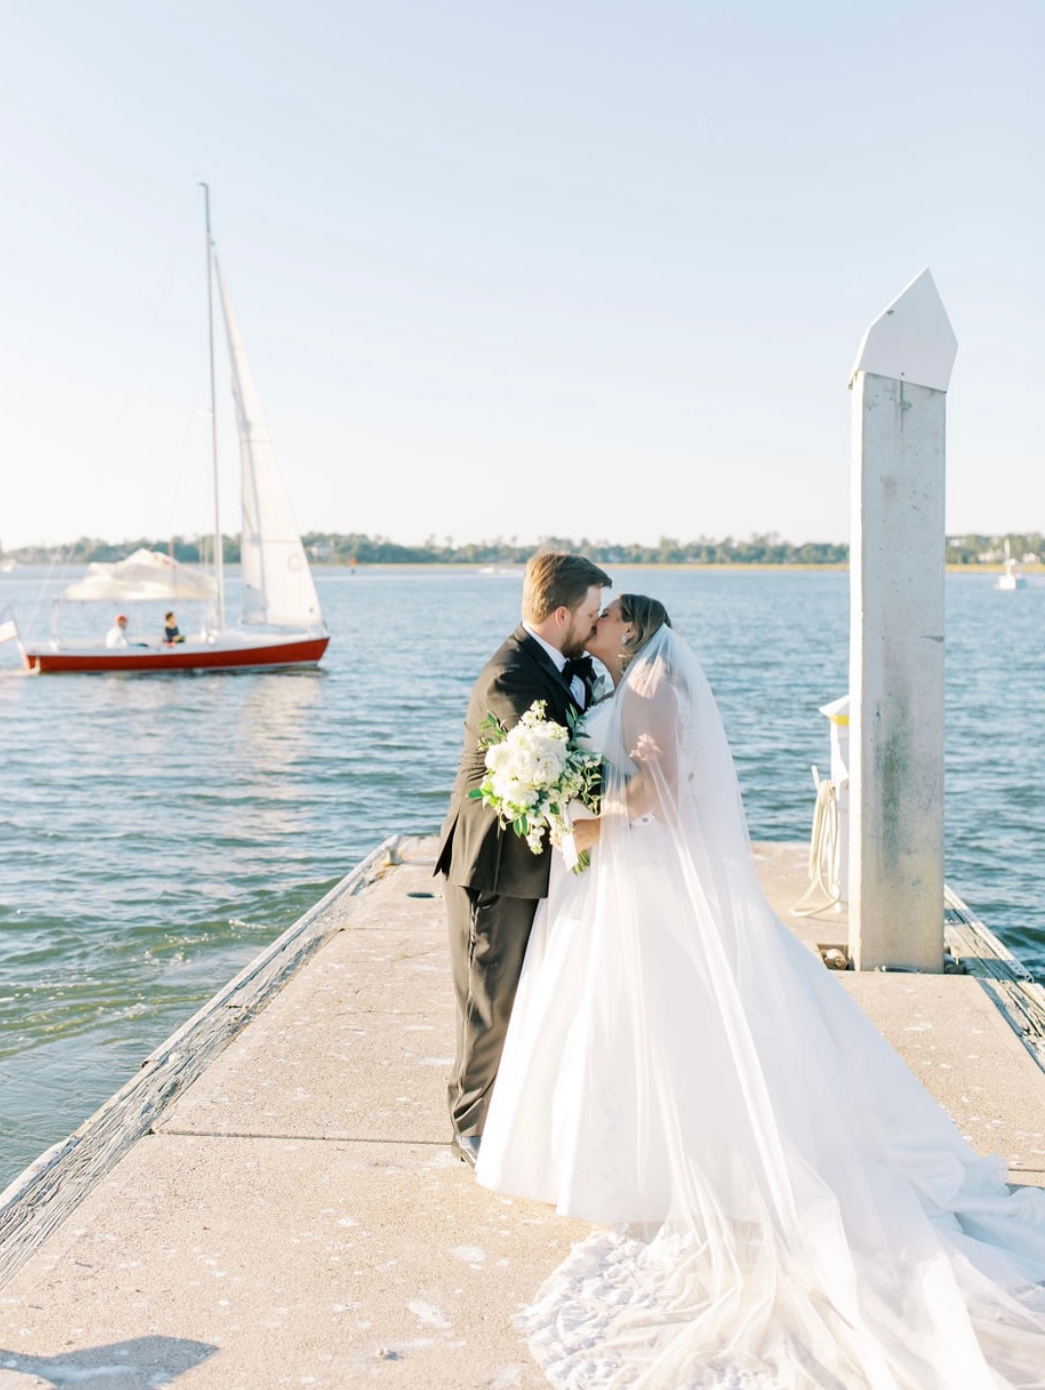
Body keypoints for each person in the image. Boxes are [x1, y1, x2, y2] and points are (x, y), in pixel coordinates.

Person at [477, 595, 1045, 1387]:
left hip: (649, 880)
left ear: (630, 633)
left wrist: (580, 820)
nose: (596, 623)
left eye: (607, 618)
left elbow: (654, 798)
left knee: (670, 1018)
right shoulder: (636, 687)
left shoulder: (646, 689)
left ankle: (666, 1162)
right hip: (640, 880)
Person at [434, 551, 612, 1169]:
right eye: (591, 613)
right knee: (489, 994)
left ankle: (501, 1112)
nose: (596, 623)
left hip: (532, 855)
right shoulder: (510, 673)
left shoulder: (559, 662)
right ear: (561, 613)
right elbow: (550, 764)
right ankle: (468, 1123)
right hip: (494, 861)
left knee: (517, 991)